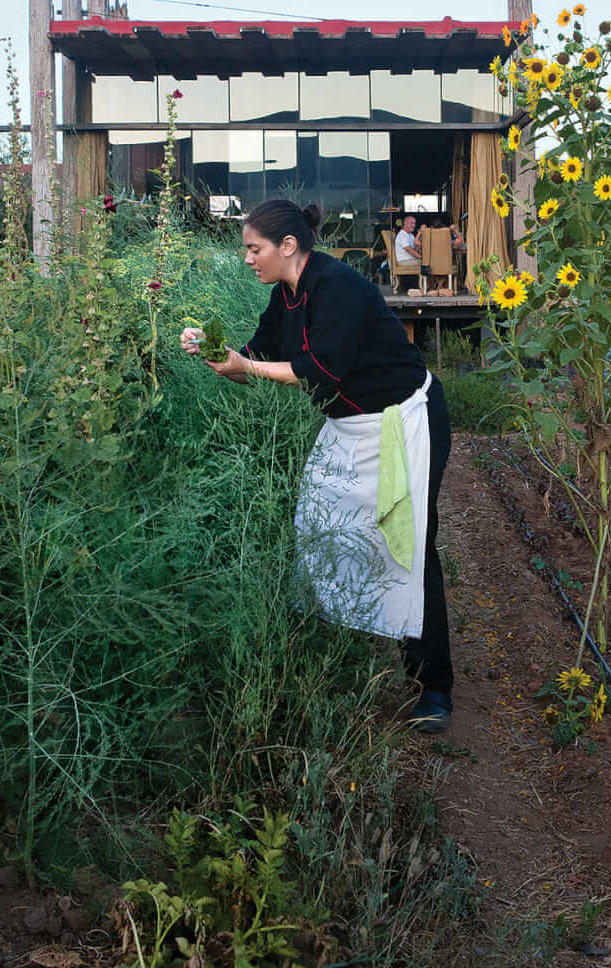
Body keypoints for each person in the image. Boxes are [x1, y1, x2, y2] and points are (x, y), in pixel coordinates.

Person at [180, 200, 454, 734]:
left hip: (404, 423)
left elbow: (320, 370)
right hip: (350, 428)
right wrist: (218, 356)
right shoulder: (284, 296)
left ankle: (433, 687)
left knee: (411, 543)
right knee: (319, 528)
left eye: (253, 249)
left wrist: (248, 364)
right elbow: (255, 360)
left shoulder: (338, 287)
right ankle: (330, 649)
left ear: (287, 246)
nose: (247, 259)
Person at [394, 213, 421, 292]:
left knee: (428, 261)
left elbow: (415, 248)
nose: (413, 225)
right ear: (405, 223)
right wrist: (420, 257)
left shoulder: (410, 235)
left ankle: (429, 286)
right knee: (427, 263)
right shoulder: (402, 235)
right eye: (411, 223)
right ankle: (427, 286)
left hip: (410, 260)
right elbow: (410, 250)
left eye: (414, 223)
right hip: (404, 261)